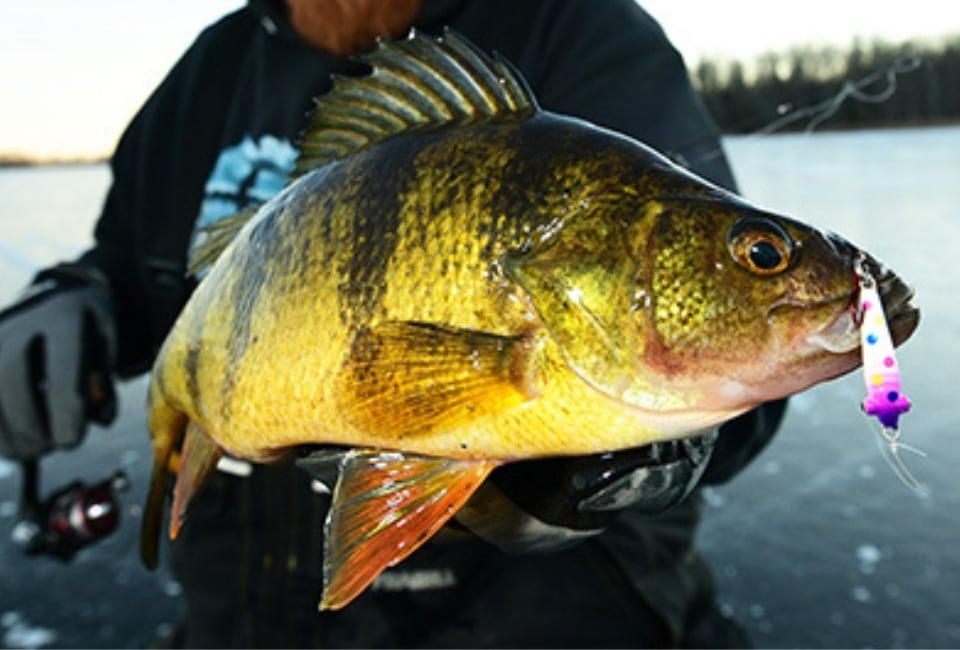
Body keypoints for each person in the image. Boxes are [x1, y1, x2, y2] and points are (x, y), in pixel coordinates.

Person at [0, 0, 786, 646]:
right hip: (245, 617)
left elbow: (743, 347)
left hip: (549, 619)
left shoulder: (577, 30)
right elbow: (140, 274)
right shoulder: (210, 73)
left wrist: (625, 465)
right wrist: (80, 296)